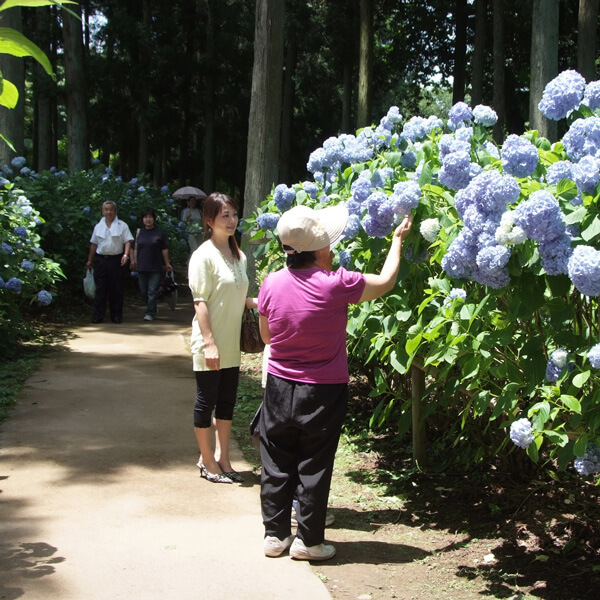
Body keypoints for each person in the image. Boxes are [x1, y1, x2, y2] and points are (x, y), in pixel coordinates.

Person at [258, 204, 413, 561]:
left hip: (279, 386)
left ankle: (274, 535)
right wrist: (396, 240)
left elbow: (267, 336)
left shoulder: (271, 282)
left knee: (276, 460)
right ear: (320, 250)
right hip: (323, 390)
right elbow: (386, 281)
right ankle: (308, 542)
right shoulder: (337, 283)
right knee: (314, 462)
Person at [188, 192, 256, 484]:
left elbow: (238, 296)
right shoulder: (204, 255)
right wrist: (209, 343)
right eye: (224, 216)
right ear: (209, 221)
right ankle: (206, 461)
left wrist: (263, 300)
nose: (231, 221)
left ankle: (223, 459)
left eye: (233, 214)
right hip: (210, 344)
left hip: (231, 343)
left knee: (227, 402)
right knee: (207, 401)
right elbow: (200, 302)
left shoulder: (237, 255)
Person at [86, 200, 134, 324]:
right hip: (101, 260)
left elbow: (128, 241)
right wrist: (90, 260)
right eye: (106, 209)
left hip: (116, 260)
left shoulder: (122, 225)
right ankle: (98, 316)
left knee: (116, 289)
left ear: (115, 211)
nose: (108, 212)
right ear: (103, 211)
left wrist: (126, 255)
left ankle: (116, 316)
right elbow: (93, 244)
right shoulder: (98, 226)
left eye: (111, 209)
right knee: (100, 289)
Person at [129, 208, 173, 322]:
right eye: (145, 217)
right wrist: (132, 260)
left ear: (154, 219)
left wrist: (167, 263)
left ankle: (150, 313)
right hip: (141, 266)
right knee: (143, 290)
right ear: (142, 219)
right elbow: (132, 247)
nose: (148, 219)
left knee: (152, 290)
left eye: (150, 217)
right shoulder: (139, 233)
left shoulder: (159, 233)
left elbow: (164, 249)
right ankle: (152, 307)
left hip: (155, 267)